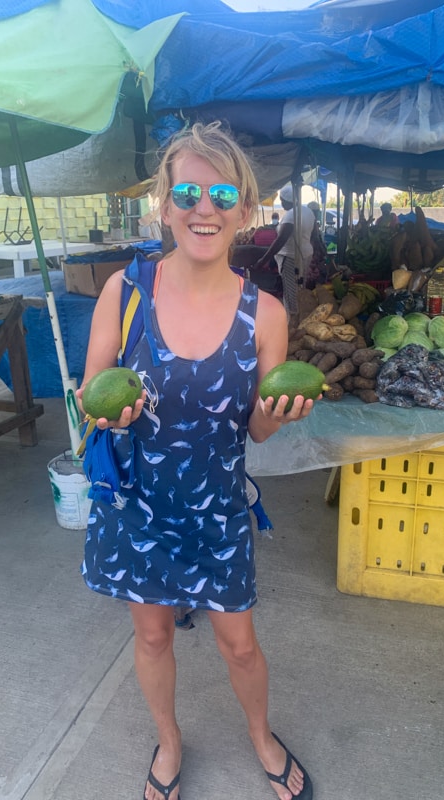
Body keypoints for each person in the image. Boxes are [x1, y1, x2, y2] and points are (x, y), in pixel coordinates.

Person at [77, 121, 315, 800]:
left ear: (244, 209)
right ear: (164, 204)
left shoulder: (264, 313)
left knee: (239, 644)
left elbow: (259, 431)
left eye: (220, 193)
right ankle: (171, 743)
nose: (202, 207)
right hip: (138, 505)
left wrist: (282, 410)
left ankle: (262, 738)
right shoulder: (125, 291)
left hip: (216, 508)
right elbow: (91, 395)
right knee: (152, 637)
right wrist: (104, 412)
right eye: (186, 191)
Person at [252, 184, 317, 321]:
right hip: (306, 255)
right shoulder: (307, 211)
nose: (281, 203)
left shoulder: (290, 216)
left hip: (291, 257)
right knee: (300, 288)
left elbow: (280, 240)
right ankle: (300, 317)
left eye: (282, 200)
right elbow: (314, 235)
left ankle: (292, 320)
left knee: (290, 291)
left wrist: (263, 260)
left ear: (288, 200)